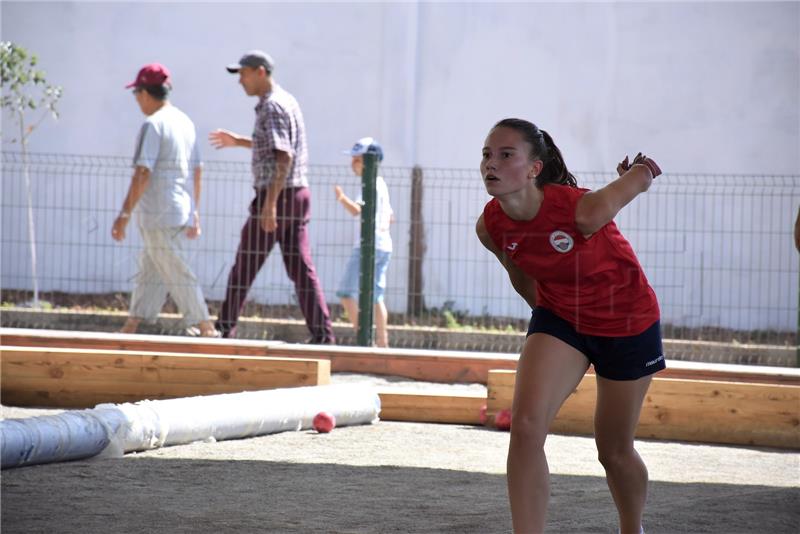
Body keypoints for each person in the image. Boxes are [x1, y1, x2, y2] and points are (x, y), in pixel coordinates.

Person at [475, 118, 665, 534]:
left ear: (533, 169)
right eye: (488, 154)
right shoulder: (491, 225)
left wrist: (639, 170)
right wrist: (544, 320)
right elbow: (520, 270)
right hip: (561, 316)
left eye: (507, 155)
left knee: (613, 450)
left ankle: (633, 528)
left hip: (626, 320)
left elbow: (640, 181)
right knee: (525, 428)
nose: (492, 163)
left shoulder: (583, 209)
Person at [208, 50, 334, 343]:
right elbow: (275, 145)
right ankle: (324, 336)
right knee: (302, 270)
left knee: (246, 262)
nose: (240, 81)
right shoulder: (284, 100)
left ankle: (224, 329)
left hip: (279, 195)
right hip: (297, 194)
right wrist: (239, 141)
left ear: (260, 72)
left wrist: (270, 205)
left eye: (243, 73)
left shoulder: (272, 106)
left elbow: (283, 157)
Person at [111, 63, 218, 337]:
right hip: (177, 210)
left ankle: (205, 325)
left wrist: (124, 214)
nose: (136, 100)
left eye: (136, 93)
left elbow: (143, 172)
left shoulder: (153, 124)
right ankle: (133, 325)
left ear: (146, 92)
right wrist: (194, 211)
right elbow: (197, 169)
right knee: (151, 271)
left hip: (158, 211)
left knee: (175, 270)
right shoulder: (184, 121)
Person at [333, 137, 394, 347]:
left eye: (357, 160)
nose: (352, 164)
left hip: (368, 246)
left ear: (370, 162)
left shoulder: (369, 183)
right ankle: (382, 342)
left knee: (345, 292)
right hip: (383, 245)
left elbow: (357, 210)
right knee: (376, 295)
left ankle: (363, 337)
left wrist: (341, 198)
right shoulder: (381, 184)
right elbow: (390, 216)